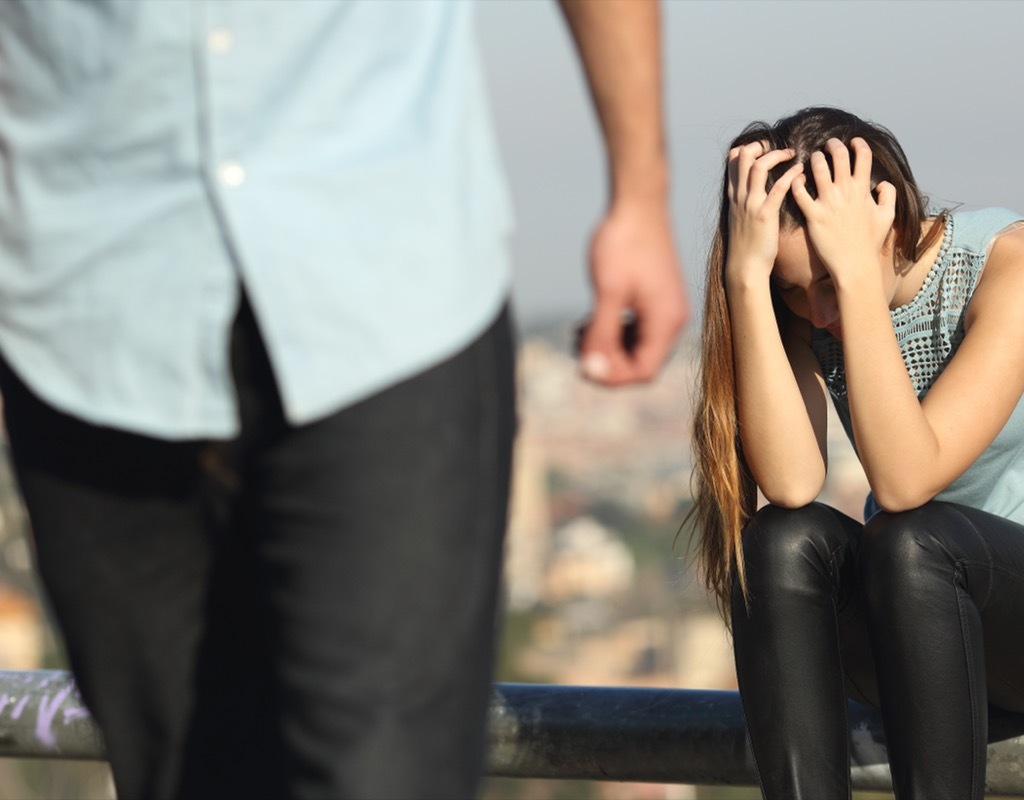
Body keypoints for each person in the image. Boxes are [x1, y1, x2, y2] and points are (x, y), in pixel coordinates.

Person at [0, 2, 686, 798]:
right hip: (92, 295)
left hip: (387, 278)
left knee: (385, 774)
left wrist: (639, 189)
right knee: (181, 775)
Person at [685, 106, 1024, 800]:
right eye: (792, 290)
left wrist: (855, 279)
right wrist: (745, 282)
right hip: (920, 628)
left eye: (825, 282)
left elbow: (908, 480)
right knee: (776, 541)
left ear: (891, 221)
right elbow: (791, 483)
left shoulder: (1013, 264)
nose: (818, 312)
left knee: (913, 539)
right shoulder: (801, 310)